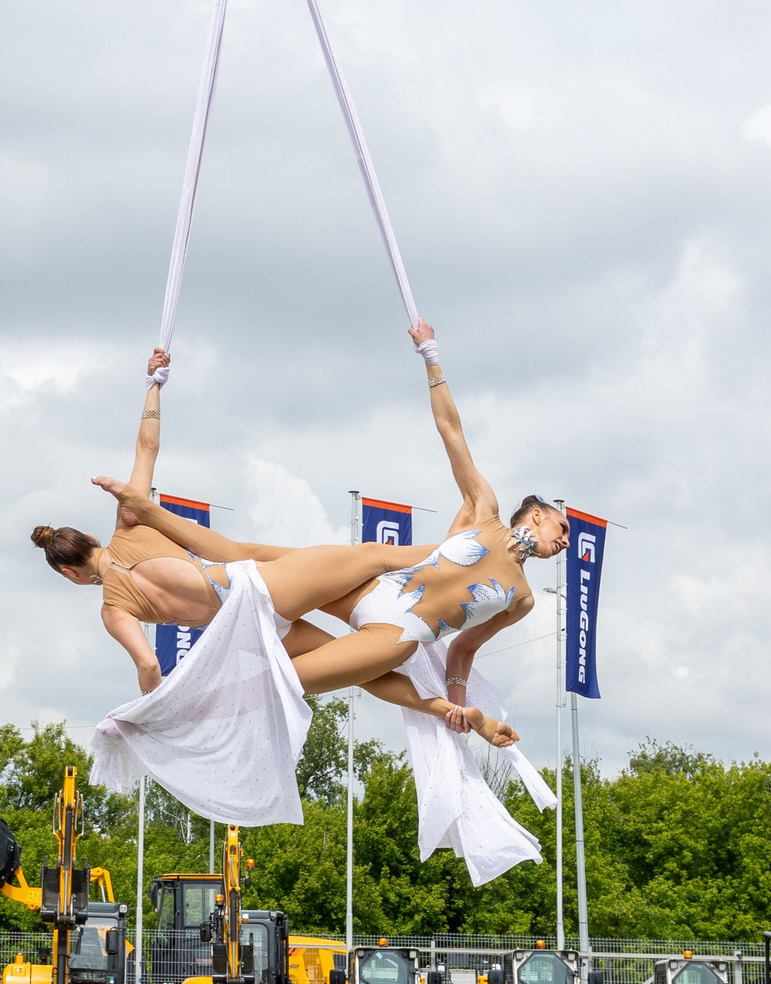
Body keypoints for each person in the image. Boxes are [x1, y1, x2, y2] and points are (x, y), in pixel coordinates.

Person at [56, 328, 564, 860]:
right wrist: (431, 359)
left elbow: (461, 651)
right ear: (536, 512)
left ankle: (154, 722)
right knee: (274, 556)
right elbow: (450, 429)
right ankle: (149, 719)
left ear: (70, 572)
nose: (564, 541)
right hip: (336, 589)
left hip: (388, 627)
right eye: (562, 528)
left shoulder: (522, 598)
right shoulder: (484, 506)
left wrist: (461, 708)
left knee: (292, 679)